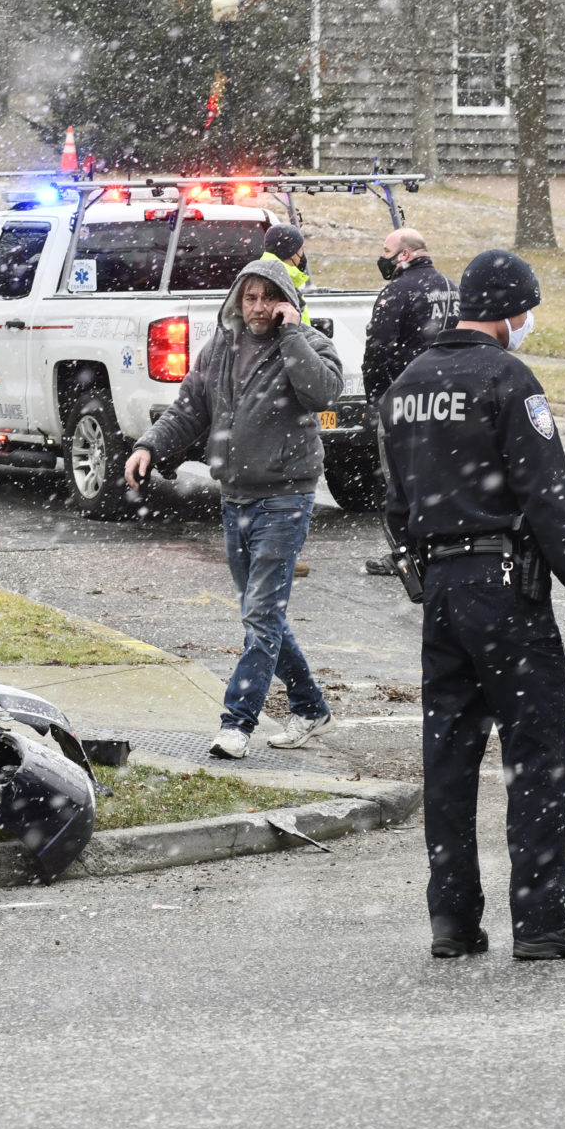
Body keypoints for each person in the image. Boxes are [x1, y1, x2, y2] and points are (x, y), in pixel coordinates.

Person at [381, 250, 565, 962]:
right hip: (507, 588)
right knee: (536, 751)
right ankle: (541, 915)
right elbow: (547, 495)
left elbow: (393, 501)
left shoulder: (408, 384)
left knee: (449, 758)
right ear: (511, 309)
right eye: (528, 309)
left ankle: (453, 918)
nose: (528, 323)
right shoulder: (509, 379)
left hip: (441, 591)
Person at [125, 256, 341, 759]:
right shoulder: (221, 347)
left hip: (286, 497)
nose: (258, 306)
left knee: (262, 612)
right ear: (237, 300)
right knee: (259, 611)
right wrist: (149, 445)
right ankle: (310, 708)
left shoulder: (309, 345)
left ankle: (237, 723)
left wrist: (291, 334)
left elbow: (324, 393)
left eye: (268, 297)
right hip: (234, 497)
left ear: (286, 300)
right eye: (250, 297)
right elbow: (188, 409)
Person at [361, 227, 457, 577]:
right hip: (449, 400)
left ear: (404, 255)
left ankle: (405, 553)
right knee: (440, 477)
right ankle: (442, 545)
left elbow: (378, 350)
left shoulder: (396, 291)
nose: (382, 257)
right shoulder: (452, 287)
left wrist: (376, 399)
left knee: (397, 481)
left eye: (386, 250)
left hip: (403, 401)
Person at [262, 222, 312, 293]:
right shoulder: (283, 283)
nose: (302, 254)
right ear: (291, 251)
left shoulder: (262, 274)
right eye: (301, 249)